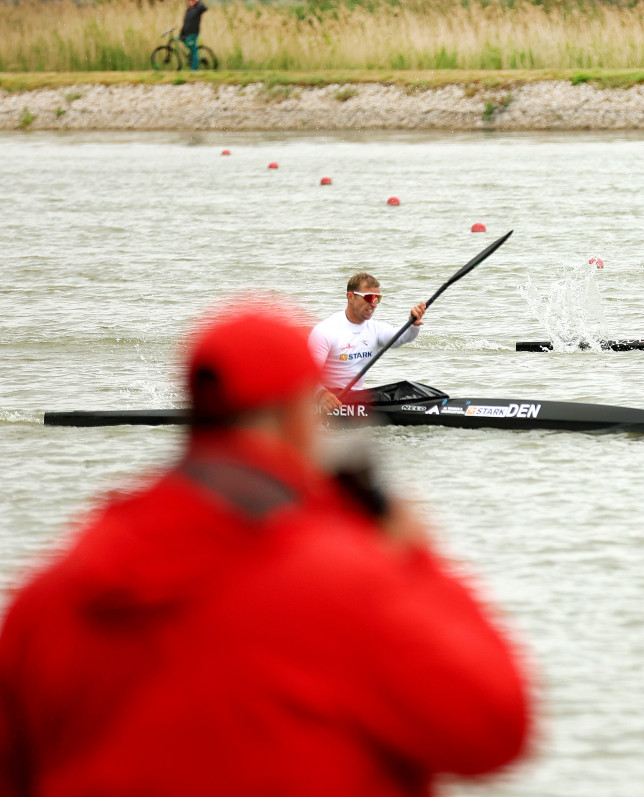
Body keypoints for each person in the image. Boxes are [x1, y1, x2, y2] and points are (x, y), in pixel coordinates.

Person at [0, 304, 531, 797]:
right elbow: (493, 731)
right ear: (299, 418)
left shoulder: (47, 596)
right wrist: (412, 558)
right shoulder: (347, 582)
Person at [309, 273, 428, 413]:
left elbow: (401, 338)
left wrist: (413, 324)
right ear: (350, 297)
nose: (374, 304)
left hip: (355, 399)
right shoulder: (326, 331)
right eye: (369, 297)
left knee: (407, 390)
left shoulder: (374, 329)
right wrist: (322, 395)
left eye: (377, 298)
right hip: (328, 401)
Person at [180, 0, 207, 71]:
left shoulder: (198, 9)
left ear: (195, 2)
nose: (190, 2)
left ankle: (194, 68)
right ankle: (192, 59)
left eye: (192, 1)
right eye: (189, 1)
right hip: (186, 33)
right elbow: (185, 23)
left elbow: (205, 8)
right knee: (181, 40)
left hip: (193, 33)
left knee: (193, 50)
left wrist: (198, 1)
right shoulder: (188, 10)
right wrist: (182, 33)